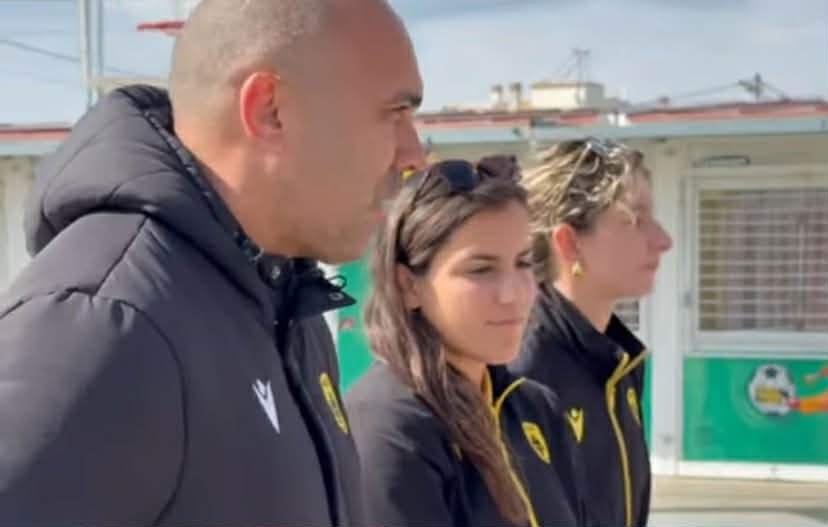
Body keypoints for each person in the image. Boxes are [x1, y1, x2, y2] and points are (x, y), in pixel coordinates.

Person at [0, 0, 424, 524]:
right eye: (394, 113)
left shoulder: (287, 306)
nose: (414, 154)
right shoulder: (107, 324)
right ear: (270, 110)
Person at [345, 156, 588, 527]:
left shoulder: (534, 408)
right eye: (481, 270)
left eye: (523, 263)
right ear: (408, 285)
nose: (513, 294)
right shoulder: (388, 425)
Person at [509, 137, 673, 527]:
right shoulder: (525, 372)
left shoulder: (619, 364)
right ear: (569, 242)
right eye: (635, 220)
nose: (663, 241)